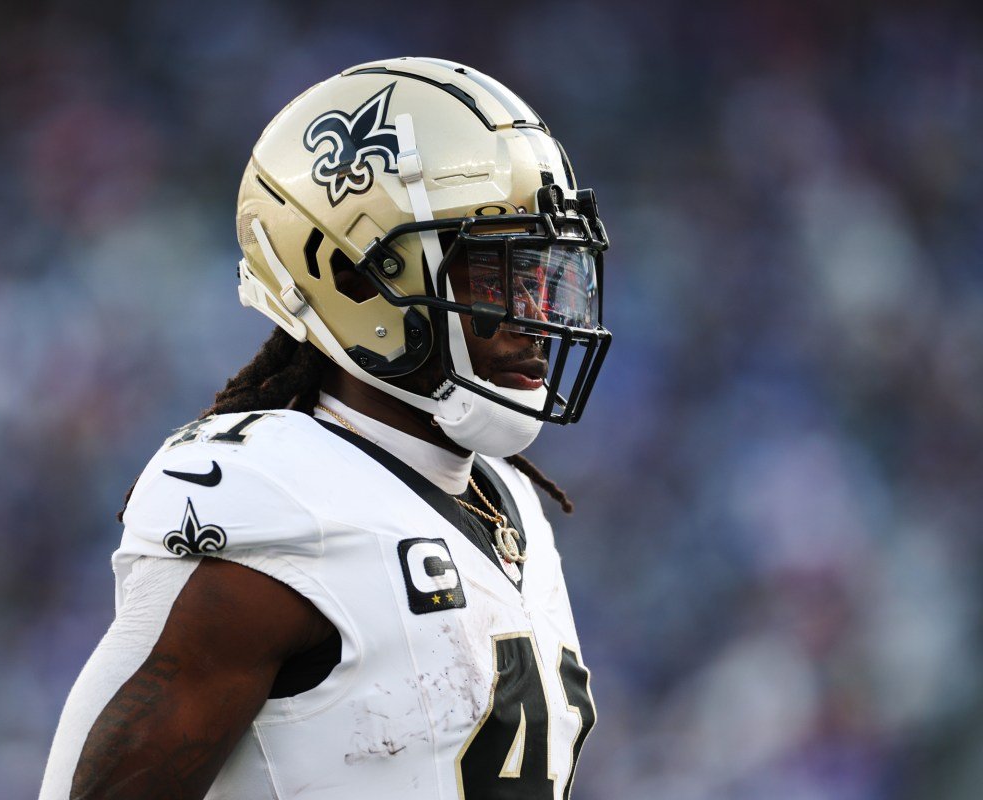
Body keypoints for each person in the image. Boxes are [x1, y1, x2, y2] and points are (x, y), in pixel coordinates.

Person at [39, 56, 612, 800]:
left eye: (545, 273)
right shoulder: (281, 496)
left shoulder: (511, 506)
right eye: (496, 275)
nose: (535, 315)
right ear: (356, 276)